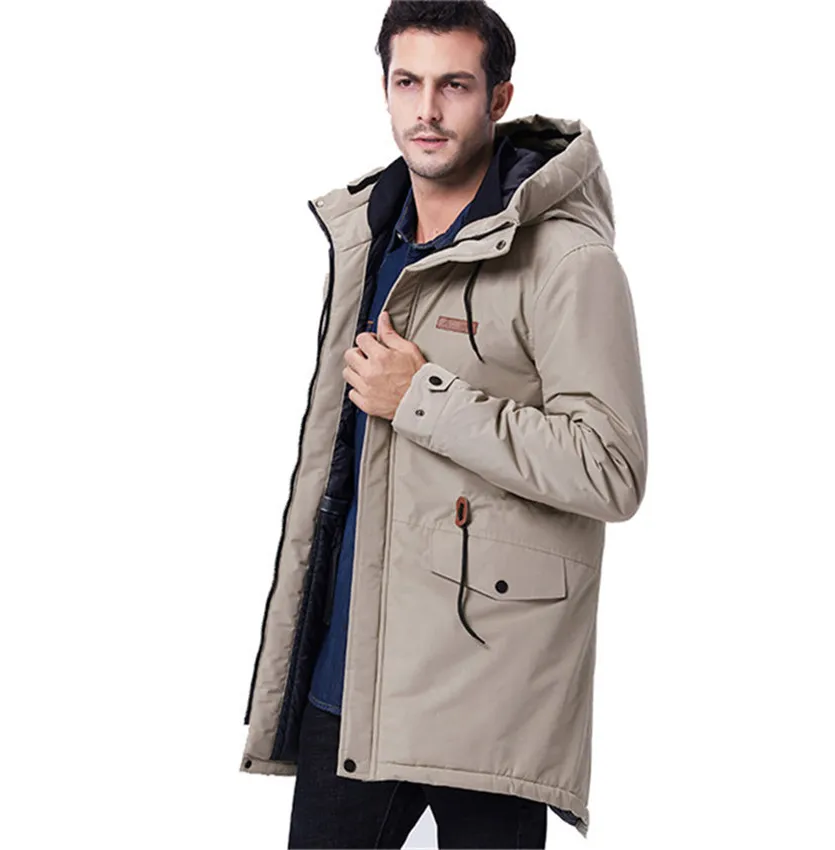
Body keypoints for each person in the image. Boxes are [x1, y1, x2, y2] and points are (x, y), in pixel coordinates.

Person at [240, 2, 649, 847]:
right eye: (408, 83)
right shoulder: (372, 235)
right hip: (351, 680)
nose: (426, 110)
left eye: (454, 85)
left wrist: (423, 397)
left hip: (487, 694)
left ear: (499, 99)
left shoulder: (568, 260)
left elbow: (611, 467)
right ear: (386, 90)